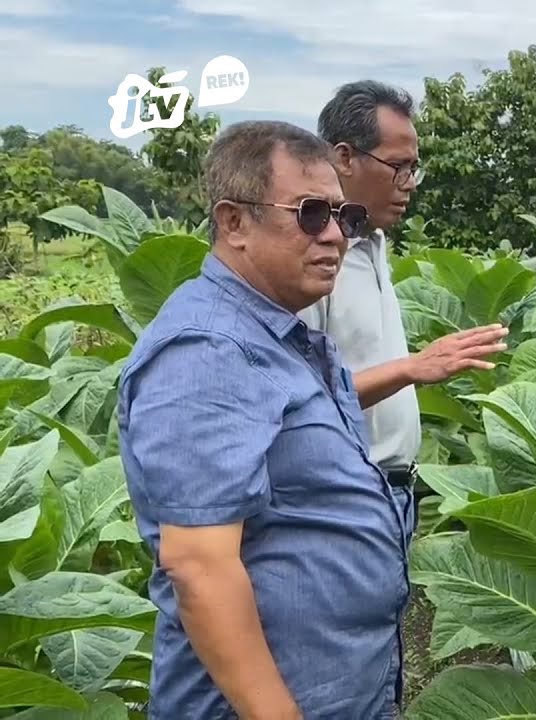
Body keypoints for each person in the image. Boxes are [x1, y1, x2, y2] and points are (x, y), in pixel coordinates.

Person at [117, 120, 410, 718]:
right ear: (234, 223)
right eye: (310, 214)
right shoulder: (208, 350)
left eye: (345, 216)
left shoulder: (277, 335)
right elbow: (199, 566)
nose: (336, 236)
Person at [300, 79, 508, 517]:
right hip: (342, 500)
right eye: (397, 167)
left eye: (414, 168)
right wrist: (413, 368)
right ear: (344, 158)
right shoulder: (312, 260)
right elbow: (298, 396)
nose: (409, 184)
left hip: (393, 494)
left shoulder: (373, 244)